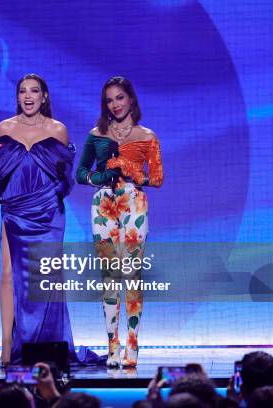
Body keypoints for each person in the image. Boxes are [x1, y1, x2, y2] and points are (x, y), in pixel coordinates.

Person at [0, 73, 76, 365]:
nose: (28, 96)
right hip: (14, 209)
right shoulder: (4, 128)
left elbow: (65, 178)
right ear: (17, 97)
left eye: (34, 91)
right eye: (23, 91)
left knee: (46, 279)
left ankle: (46, 345)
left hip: (48, 212)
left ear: (44, 96)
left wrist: (53, 198)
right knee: (8, 274)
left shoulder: (58, 130)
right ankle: (6, 344)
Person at [76, 76, 163, 368]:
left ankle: (133, 343)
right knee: (109, 276)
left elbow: (158, 178)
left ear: (131, 100)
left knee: (132, 275)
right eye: (110, 100)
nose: (115, 104)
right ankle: (112, 344)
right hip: (103, 205)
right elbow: (80, 173)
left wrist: (136, 174)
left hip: (133, 204)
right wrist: (97, 178)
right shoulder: (96, 134)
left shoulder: (147, 135)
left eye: (120, 98)